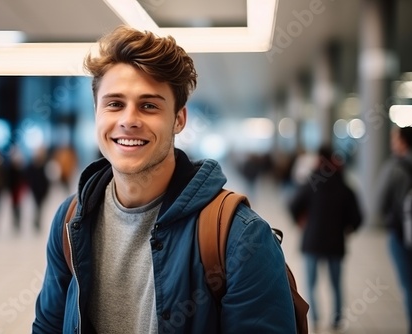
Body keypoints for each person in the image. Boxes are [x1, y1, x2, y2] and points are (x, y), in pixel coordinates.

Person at [33, 25, 297, 333]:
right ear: (96, 113)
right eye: (115, 104)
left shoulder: (241, 237)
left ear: (179, 119)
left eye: (149, 106)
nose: (129, 120)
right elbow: (49, 325)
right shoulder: (71, 219)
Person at [288, 145, 362, 332]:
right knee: (336, 284)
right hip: (335, 242)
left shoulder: (312, 181)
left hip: (313, 241)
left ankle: (315, 319)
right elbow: (358, 217)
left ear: (319, 159)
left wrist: (300, 221)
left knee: (310, 284)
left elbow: (292, 204)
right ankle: (336, 320)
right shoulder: (344, 184)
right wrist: (348, 228)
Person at [376, 125, 412, 334]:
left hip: (402, 236)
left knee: (408, 286)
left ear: (402, 142)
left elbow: (380, 203)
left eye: (395, 138)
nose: (393, 142)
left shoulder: (395, 167)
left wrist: (390, 219)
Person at [25, 146, 51, 232]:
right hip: (35, 189)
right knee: (37, 206)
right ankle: (36, 221)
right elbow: (28, 176)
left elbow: (49, 179)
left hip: (43, 189)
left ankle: (37, 221)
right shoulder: (32, 165)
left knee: (40, 207)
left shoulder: (46, 165)